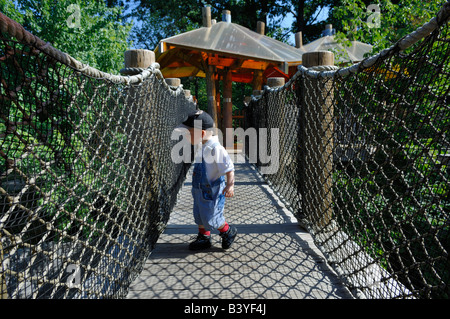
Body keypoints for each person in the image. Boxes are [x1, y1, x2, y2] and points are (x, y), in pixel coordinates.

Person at [176, 110, 237, 250]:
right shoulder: (202, 146)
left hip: (212, 191)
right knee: (198, 214)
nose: (186, 136)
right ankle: (204, 237)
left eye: (189, 133)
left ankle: (228, 231)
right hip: (199, 189)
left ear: (202, 133)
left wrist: (230, 185)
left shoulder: (216, 149)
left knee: (212, 217)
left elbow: (229, 168)